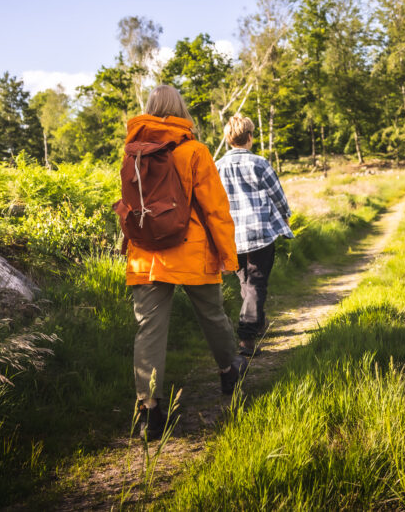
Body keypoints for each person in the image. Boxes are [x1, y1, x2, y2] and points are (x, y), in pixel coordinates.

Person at [123, 85, 246, 440]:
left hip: (145, 254)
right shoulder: (194, 150)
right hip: (191, 250)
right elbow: (215, 210)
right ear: (181, 110)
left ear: (148, 109)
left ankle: (149, 412)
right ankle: (228, 371)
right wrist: (228, 257)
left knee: (149, 330)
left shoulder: (132, 151)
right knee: (212, 315)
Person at [215, 114, 294, 357]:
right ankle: (247, 339)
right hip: (260, 234)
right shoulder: (260, 164)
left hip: (231, 236)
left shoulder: (217, 166)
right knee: (256, 282)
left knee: (245, 282)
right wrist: (286, 214)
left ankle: (257, 323)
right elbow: (277, 194)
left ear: (229, 139)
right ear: (249, 137)